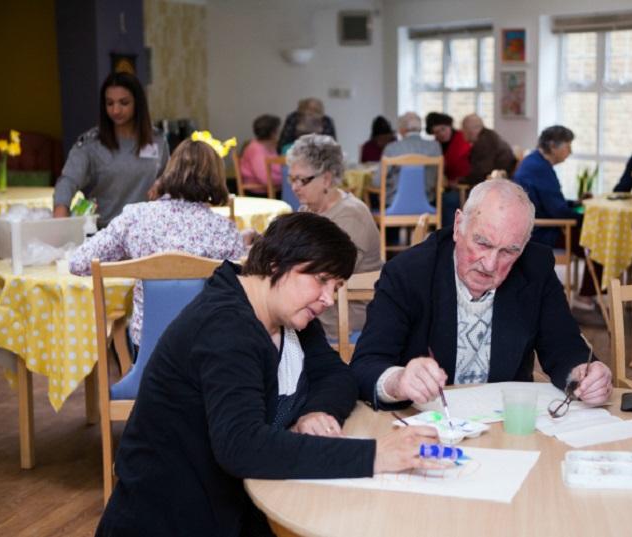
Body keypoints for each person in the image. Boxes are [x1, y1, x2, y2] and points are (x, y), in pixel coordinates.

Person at [95, 212, 440, 537]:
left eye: (335, 286)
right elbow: (241, 446)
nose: (328, 299)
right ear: (276, 263)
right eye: (321, 280)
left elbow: (338, 377)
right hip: (170, 520)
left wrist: (315, 411)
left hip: (234, 506)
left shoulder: (288, 316)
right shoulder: (226, 327)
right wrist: (375, 455)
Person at [349, 179, 613, 408]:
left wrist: (584, 374)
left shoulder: (535, 267)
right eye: (482, 243)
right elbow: (366, 365)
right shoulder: (409, 273)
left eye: (508, 251)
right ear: (458, 225)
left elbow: (563, 346)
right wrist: (398, 380)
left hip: (506, 429)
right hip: (428, 427)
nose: (490, 264)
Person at [69, 139, 246, 348]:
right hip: (207, 351)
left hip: (148, 355)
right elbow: (245, 289)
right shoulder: (225, 230)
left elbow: (78, 263)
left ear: (169, 172)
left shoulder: (135, 217)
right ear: (216, 179)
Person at [287, 134, 382, 339]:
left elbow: (330, 272)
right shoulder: (309, 209)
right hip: (321, 306)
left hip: (343, 313)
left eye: (302, 180)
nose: (294, 187)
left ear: (327, 179)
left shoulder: (350, 215)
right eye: (292, 179)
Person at [53, 71, 169, 228]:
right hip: (103, 230)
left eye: (124, 103)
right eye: (110, 103)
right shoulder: (91, 143)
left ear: (138, 103)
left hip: (145, 231)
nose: (116, 110)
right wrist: (60, 219)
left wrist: (161, 185)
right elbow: (68, 181)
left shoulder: (157, 140)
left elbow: (168, 180)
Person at [513, 126, 602, 307]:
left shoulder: (535, 162)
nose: (570, 151)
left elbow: (552, 202)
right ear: (553, 146)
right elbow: (558, 212)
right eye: (567, 146)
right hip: (542, 231)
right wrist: (584, 218)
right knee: (598, 242)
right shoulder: (540, 169)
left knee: (591, 234)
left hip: (539, 225)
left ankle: (588, 293)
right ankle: (585, 297)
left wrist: (575, 203)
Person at [379, 111, 442, 205]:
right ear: (420, 129)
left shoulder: (391, 148)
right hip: (427, 203)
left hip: (395, 204)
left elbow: (377, 181)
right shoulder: (435, 146)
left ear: (402, 130)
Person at [461, 114, 517, 186]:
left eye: (464, 129)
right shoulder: (488, 135)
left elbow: (482, 171)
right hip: (498, 178)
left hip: (498, 181)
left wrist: (463, 180)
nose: (462, 132)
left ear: (471, 130)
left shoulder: (484, 142)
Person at [239, 114, 283, 194]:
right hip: (260, 192)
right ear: (273, 133)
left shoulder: (270, 146)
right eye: (278, 130)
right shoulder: (256, 149)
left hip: (273, 188)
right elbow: (265, 179)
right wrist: (287, 179)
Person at [425, 112, 470, 185]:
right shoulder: (435, 145)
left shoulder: (464, 137)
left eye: (443, 129)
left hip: (463, 184)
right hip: (445, 185)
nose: (441, 134)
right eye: (437, 132)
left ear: (450, 126)